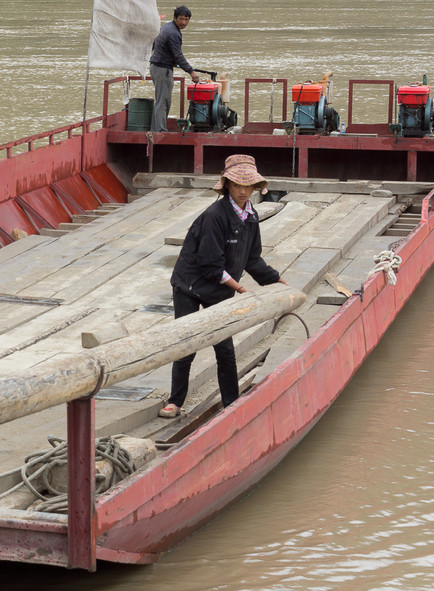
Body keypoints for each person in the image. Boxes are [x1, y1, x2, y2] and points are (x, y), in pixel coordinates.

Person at [160, 154, 286, 418]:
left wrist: (276, 280)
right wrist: (241, 290)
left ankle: (231, 403)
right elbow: (210, 266)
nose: (242, 191)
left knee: (224, 348)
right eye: (237, 185)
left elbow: (252, 259)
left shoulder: (251, 217)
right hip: (190, 285)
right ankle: (175, 401)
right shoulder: (214, 216)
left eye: (247, 186)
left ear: (254, 187)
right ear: (226, 184)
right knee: (187, 342)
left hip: (220, 288)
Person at [149, 6, 200, 133]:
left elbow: (155, 45)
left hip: (158, 66)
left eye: (186, 19)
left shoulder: (167, 27)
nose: (183, 22)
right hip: (162, 69)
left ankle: (156, 129)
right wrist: (191, 71)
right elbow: (178, 56)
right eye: (181, 19)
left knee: (162, 100)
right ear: (175, 18)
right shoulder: (173, 33)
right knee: (163, 102)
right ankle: (160, 131)